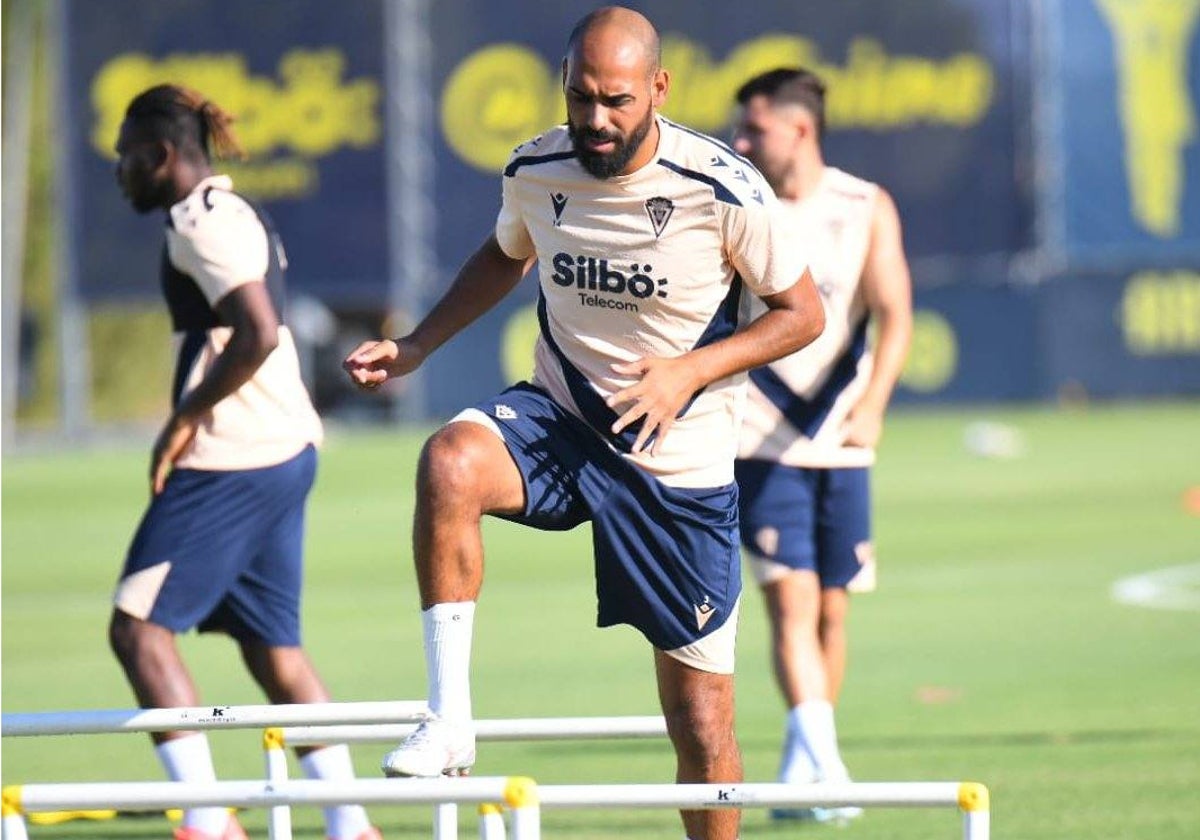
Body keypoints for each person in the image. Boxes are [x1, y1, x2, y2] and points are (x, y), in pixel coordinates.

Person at [343, 8, 824, 840]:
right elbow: (507, 252)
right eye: (579, 97)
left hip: (677, 466)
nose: (595, 119)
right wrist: (417, 344)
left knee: (703, 726)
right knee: (451, 461)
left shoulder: (723, 188)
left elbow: (803, 314)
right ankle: (449, 717)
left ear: (658, 90)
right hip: (561, 420)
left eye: (616, 100)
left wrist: (690, 371)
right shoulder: (536, 166)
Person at [109, 84, 382, 840]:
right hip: (282, 448)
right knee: (274, 650)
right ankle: (350, 826)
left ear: (163, 156)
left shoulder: (202, 224)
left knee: (138, 631)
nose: (119, 169)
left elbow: (258, 332)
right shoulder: (233, 210)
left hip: (236, 455)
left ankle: (209, 823)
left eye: (127, 156)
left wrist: (184, 421)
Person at [730, 68, 914, 822]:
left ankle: (802, 766)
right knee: (790, 603)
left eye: (754, 130)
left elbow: (896, 313)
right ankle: (832, 769)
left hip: (841, 436)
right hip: (757, 435)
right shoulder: (739, 204)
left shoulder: (863, 205)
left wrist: (873, 404)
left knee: (833, 611)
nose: (740, 142)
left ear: (799, 129)